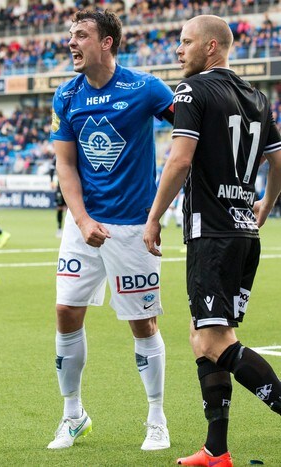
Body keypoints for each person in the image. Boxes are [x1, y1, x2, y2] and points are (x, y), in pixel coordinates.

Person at [143, 15, 281, 467]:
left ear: (211, 48)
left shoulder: (193, 90)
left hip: (213, 233)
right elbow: (278, 161)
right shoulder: (258, 97)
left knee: (212, 343)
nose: (177, 50)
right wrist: (264, 203)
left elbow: (180, 161)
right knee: (206, 334)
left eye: (185, 42)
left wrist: (154, 217)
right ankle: (216, 450)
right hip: (244, 231)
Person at [48, 9, 174, 451]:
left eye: (81, 34)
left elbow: (189, 124)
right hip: (83, 225)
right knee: (65, 312)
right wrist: (81, 220)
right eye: (70, 34)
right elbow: (65, 163)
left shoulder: (145, 88)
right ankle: (73, 414)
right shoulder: (66, 94)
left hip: (133, 227)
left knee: (142, 323)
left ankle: (156, 419)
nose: (72, 42)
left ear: (107, 42)